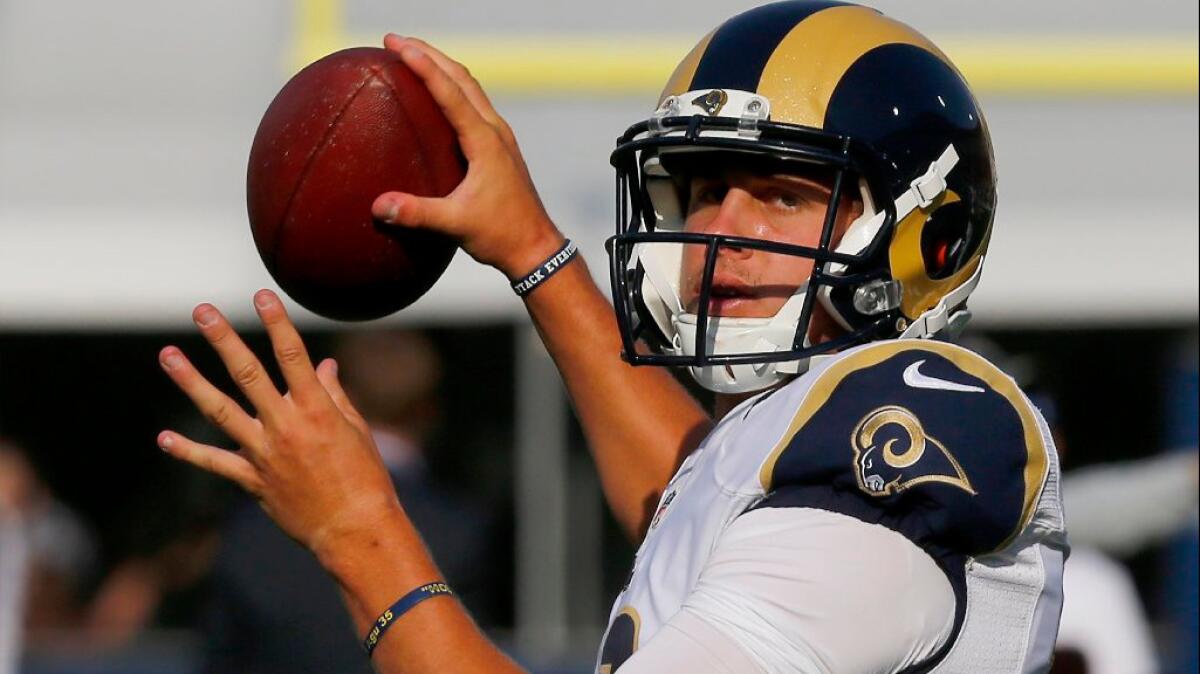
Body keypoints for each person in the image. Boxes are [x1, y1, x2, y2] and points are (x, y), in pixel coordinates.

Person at [156, 3, 1067, 672]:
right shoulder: (783, 433)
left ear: (928, 234)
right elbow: (688, 498)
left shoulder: (924, 407)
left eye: (784, 195)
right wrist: (533, 251)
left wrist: (361, 535)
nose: (722, 233)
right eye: (706, 190)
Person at [200, 330, 502, 674]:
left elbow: (220, 656)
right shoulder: (461, 528)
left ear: (339, 401)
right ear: (431, 410)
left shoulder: (250, 528)